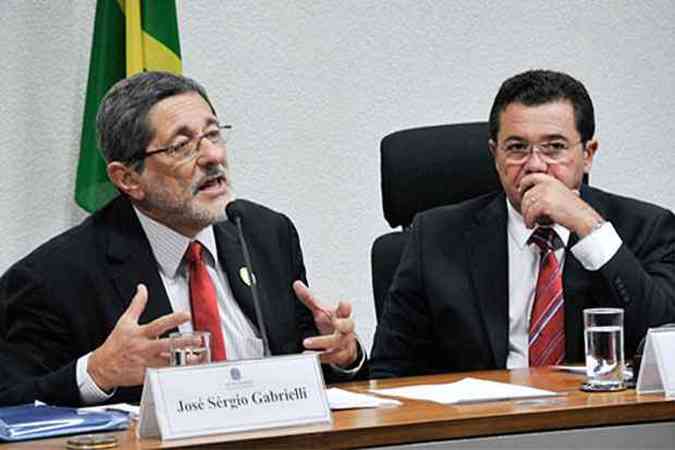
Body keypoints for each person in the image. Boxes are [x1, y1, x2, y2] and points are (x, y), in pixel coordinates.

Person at [0, 71, 365, 406]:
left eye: (212, 133)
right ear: (128, 179)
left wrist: (344, 356)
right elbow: (9, 401)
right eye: (181, 145)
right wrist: (97, 373)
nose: (213, 156)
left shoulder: (265, 233)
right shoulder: (55, 277)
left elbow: (309, 360)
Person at [370, 69, 675, 378]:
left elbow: (664, 346)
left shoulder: (647, 228)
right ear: (495, 154)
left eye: (554, 147)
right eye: (517, 148)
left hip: (602, 420)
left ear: (588, 154)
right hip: (483, 421)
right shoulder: (435, 237)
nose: (535, 164)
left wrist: (587, 224)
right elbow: (388, 371)